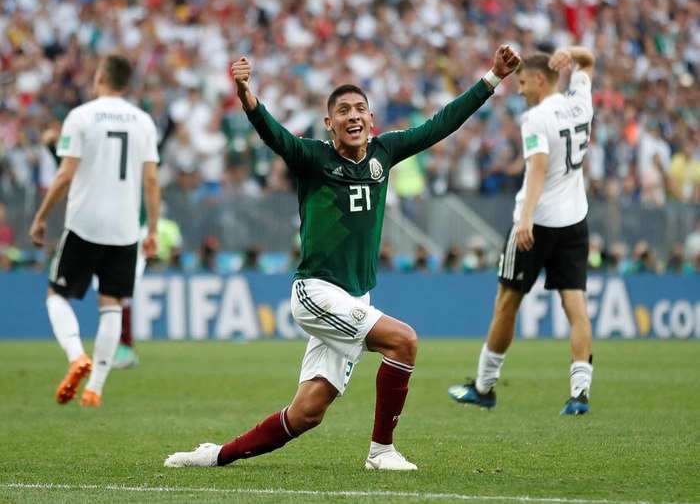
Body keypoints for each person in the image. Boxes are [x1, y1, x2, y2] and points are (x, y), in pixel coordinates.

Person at [164, 45, 521, 470]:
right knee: (404, 341)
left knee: (307, 413)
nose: (353, 116)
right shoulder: (314, 158)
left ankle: (215, 456)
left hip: (355, 298)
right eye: (344, 111)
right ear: (329, 123)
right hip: (316, 292)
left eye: (360, 109)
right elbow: (272, 133)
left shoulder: (384, 154)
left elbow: (441, 124)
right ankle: (381, 452)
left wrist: (493, 77)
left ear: (371, 120)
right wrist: (245, 94)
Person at [448, 46, 596, 416]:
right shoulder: (580, 100)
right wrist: (572, 52)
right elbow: (588, 60)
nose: (519, 89)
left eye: (524, 81)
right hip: (575, 219)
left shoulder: (535, 118)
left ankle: (483, 387)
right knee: (575, 304)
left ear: (541, 80)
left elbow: (538, 169)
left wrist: (526, 218)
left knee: (506, 302)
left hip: (538, 223)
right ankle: (580, 393)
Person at [29, 54, 160, 407]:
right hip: (125, 228)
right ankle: (95, 388)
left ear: (100, 76)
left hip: (85, 223)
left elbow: (65, 174)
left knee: (57, 295)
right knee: (112, 305)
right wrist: (153, 231)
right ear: (127, 83)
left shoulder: (81, 116)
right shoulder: (143, 122)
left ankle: (76, 356)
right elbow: (151, 180)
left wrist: (41, 216)